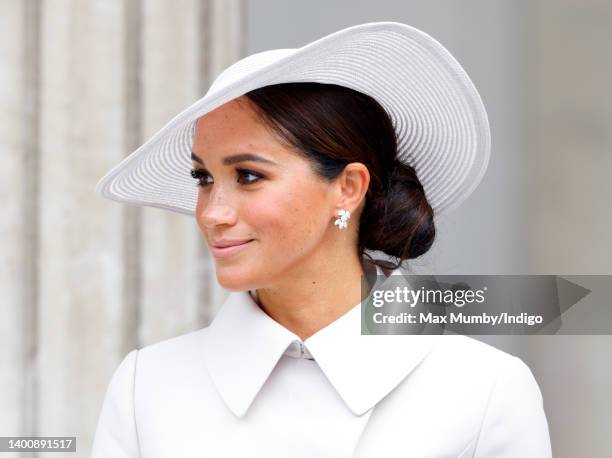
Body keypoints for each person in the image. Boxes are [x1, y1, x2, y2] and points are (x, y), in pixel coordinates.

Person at [91, 22, 552, 457]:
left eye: (248, 176)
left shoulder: (484, 389)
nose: (212, 213)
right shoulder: (146, 388)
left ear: (348, 187)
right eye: (203, 177)